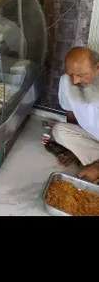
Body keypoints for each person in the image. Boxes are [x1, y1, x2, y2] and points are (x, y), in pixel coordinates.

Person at [51, 47, 99, 182]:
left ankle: (93, 166)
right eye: (71, 74)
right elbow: (70, 114)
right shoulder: (66, 82)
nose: (75, 81)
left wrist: (96, 167)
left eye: (81, 74)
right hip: (93, 139)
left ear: (97, 68)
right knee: (59, 130)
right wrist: (73, 150)